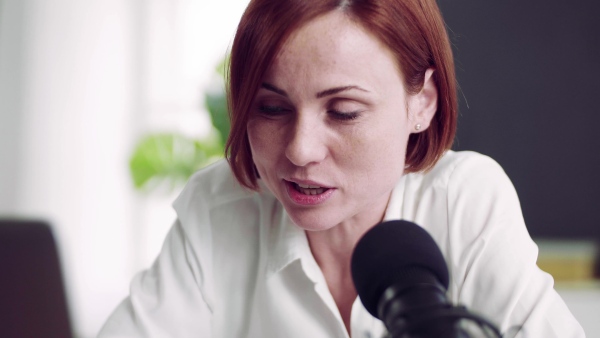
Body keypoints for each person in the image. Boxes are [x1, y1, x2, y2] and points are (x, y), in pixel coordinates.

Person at [99, 0, 585, 337]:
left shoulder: (465, 203)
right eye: (271, 109)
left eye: (344, 111)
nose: (300, 150)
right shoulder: (219, 210)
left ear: (423, 103)